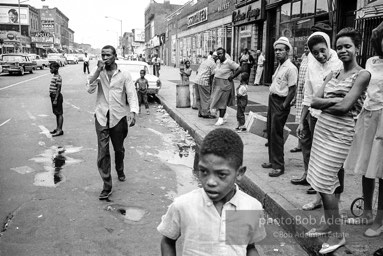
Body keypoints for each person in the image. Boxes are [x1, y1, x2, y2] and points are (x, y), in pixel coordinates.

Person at [305, 28, 370, 254]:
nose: (343, 50)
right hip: (322, 131)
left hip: (340, 135)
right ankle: (327, 224)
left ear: (357, 48)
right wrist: (334, 100)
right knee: (320, 182)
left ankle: (337, 235)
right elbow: (314, 101)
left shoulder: (362, 75)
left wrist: (329, 101)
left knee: (325, 182)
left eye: (347, 46)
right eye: (340, 46)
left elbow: (345, 107)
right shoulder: (333, 74)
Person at [157, 128, 266, 256]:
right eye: (203, 171)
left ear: (239, 173)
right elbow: (168, 241)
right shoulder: (183, 205)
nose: (210, 182)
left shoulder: (252, 207)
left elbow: (249, 247)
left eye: (221, 174)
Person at [344, 22, 383, 237]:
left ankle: (380, 219)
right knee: (366, 168)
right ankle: (367, 212)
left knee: (382, 171)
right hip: (368, 117)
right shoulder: (371, 61)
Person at [291, 32, 342, 197]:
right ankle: (317, 187)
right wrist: (300, 121)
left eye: (322, 50)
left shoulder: (339, 64)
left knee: (331, 156)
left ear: (328, 46)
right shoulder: (311, 64)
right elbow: (308, 95)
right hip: (314, 116)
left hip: (333, 117)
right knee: (314, 152)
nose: (320, 55)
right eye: (315, 53)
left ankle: (333, 190)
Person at [86, 45, 139, 200]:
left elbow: (131, 94)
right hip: (101, 116)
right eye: (102, 55)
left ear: (115, 56)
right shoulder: (98, 73)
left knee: (119, 149)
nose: (105, 58)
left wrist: (133, 112)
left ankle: (120, 169)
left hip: (118, 117)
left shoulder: (124, 75)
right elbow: (89, 88)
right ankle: (107, 185)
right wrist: (97, 71)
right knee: (103, 152)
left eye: (108, 55)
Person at [261, 37, 298, 177]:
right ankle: (272, 160)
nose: (277, 52)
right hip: (273, 99)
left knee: (276, 134)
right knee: (270, 132)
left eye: (280, 50)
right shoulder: (280, 66)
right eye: (276, 50)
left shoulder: (291, 68)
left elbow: (292, 89)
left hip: (280, 102)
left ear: (287, 51)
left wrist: (284, 105)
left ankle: (278, 166)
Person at [210, 47, 242, 126]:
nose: (219, 55)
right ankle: (223, 116)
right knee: (216, 100)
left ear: (225, 54)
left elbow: (240, 68)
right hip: (217, 84)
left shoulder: (229, 62)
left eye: (221, 53)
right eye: (218, 54)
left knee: (222, 102)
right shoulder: (218, 62)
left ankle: (221, 119)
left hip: (225, 84)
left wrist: (232, 76)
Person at [290, 44, 310, 154]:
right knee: (299, 120)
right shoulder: (304, 57)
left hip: (308, 94)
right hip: (300, 93)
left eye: (308, 48)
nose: (306, 49)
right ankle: (299, 144)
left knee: (306, 122)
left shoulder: (314, 58)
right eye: (305, 47)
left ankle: (305, 145)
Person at [194, 52, 216, 118]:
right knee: (206, 98)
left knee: (199, 98)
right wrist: (211, 86)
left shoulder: (205, 61)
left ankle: (200, 112)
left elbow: (197, 71)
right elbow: (212, 76)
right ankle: (206, 113)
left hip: (197, 80)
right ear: (215, 57)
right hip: (204, 81)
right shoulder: (213, 64)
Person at [49, 62, 64, 137]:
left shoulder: (58, 77)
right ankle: (57, 128)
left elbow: (58, 89)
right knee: (56, 113)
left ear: (56, 68)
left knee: (59, 113)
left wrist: (55, 99)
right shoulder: (55, 76)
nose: (50, 70)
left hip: (56, 96)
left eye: (51, 68)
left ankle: (60, 130)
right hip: (53, 96)